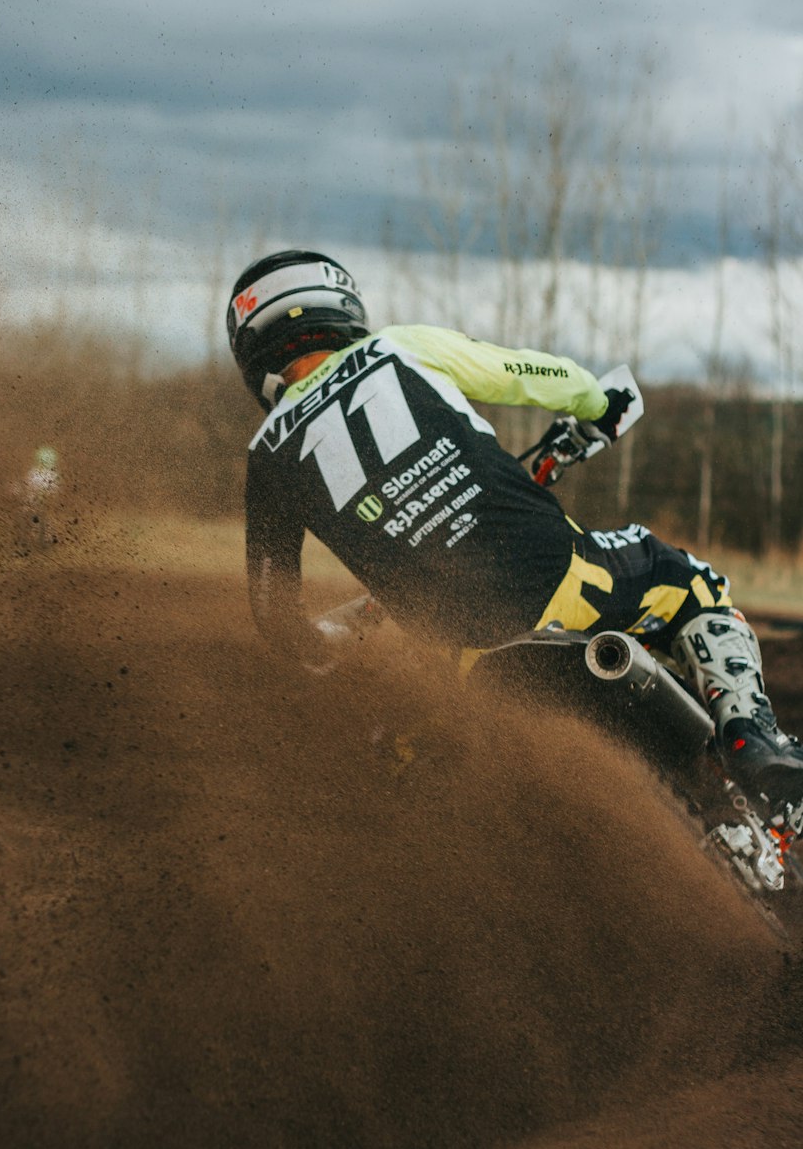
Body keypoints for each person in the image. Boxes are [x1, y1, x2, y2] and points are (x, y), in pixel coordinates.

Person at [227, 248, 803, 828]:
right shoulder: (398, 349)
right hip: (563, 581)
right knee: (687, 579)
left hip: (470, 662)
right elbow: (535, 376)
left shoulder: (267, 458)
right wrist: (600, 404)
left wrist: (326, 641)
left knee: (414, 746)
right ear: (341, 305)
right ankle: (755, 745)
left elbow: (275, 615)